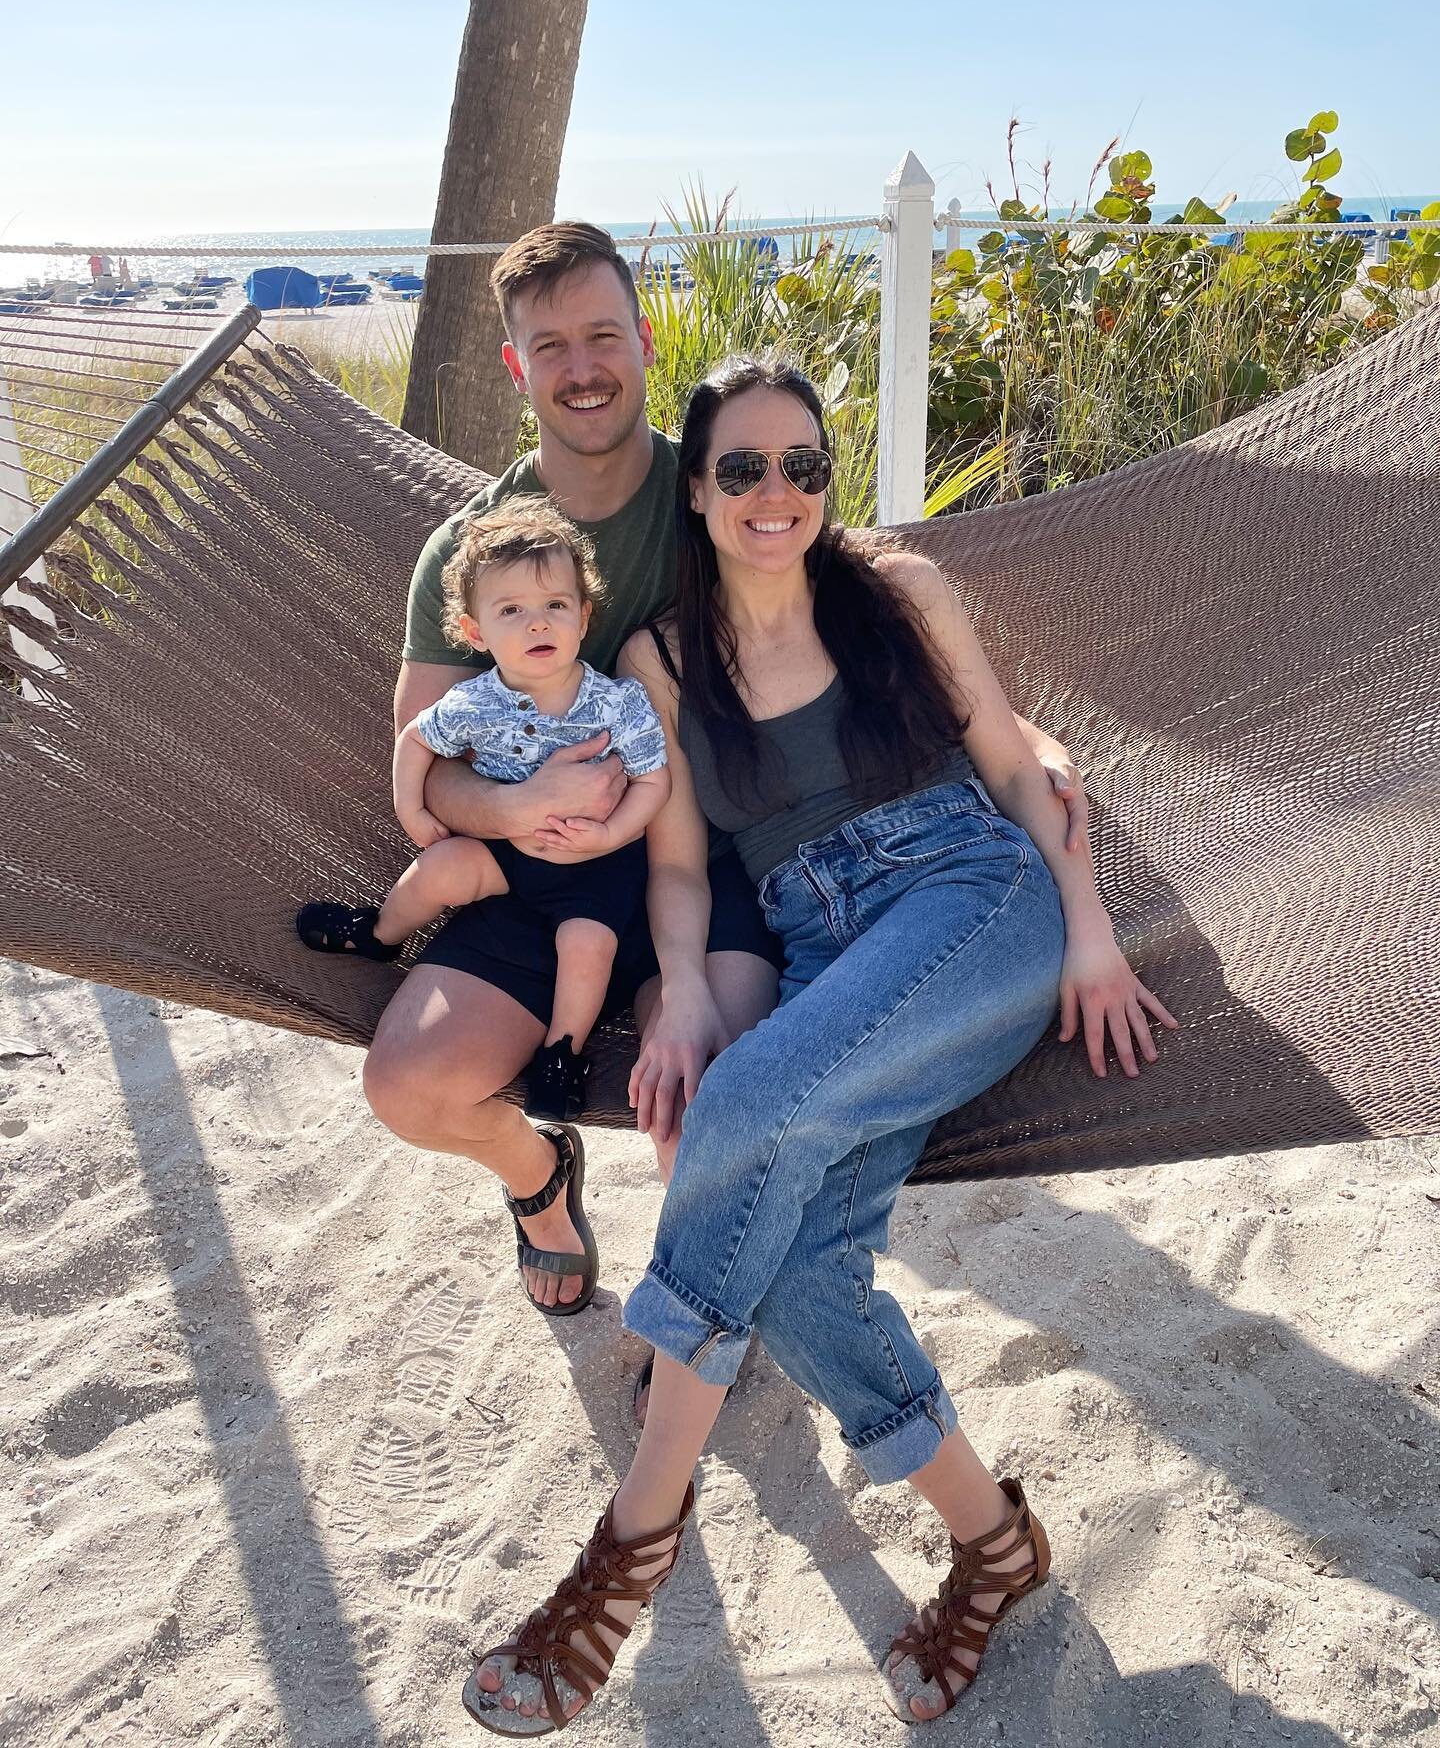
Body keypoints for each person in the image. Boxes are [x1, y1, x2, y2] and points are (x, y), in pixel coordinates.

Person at [464, 355, 1176, 1735]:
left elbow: (1017, 764)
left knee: (747, 1103)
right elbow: (679, 865)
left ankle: (638, 1531)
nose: (775, 493)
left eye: (804, 468)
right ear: (699, 486)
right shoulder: (658, 662)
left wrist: (1088, 924)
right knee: (796, 1281)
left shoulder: (897, 591)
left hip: (973, 901)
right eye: (744, 469)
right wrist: (676, 982)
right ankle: (994, 1542)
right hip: (825, 951)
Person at [363, 221, 1090, 1319]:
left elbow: (838, 601)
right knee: (405, 1087)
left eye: (602, 334)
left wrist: (1016, 734)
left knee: (703, 1087)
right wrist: (520, 803)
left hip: (713, 852)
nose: (582, 367)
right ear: (517, 366)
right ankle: (538, 1178)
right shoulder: (475, 546)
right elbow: (421, 773)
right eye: (549, 346)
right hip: (538, 866)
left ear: (644, 342)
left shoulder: (712, 481)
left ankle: (690, 1305)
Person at [296, 496, 670, 1145]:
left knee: (588, 946)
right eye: (511, 612)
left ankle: (563, 1052)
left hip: (595, 864)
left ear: (583, 617)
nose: (536, 624)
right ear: (476, 633)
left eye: (555, 605)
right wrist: (412, 810)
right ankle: (382, 932)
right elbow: (416, 740)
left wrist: (612, 833)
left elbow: (653, 781)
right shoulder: (476, 701)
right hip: (509, 851)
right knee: (443, 866)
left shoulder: (618, 702)